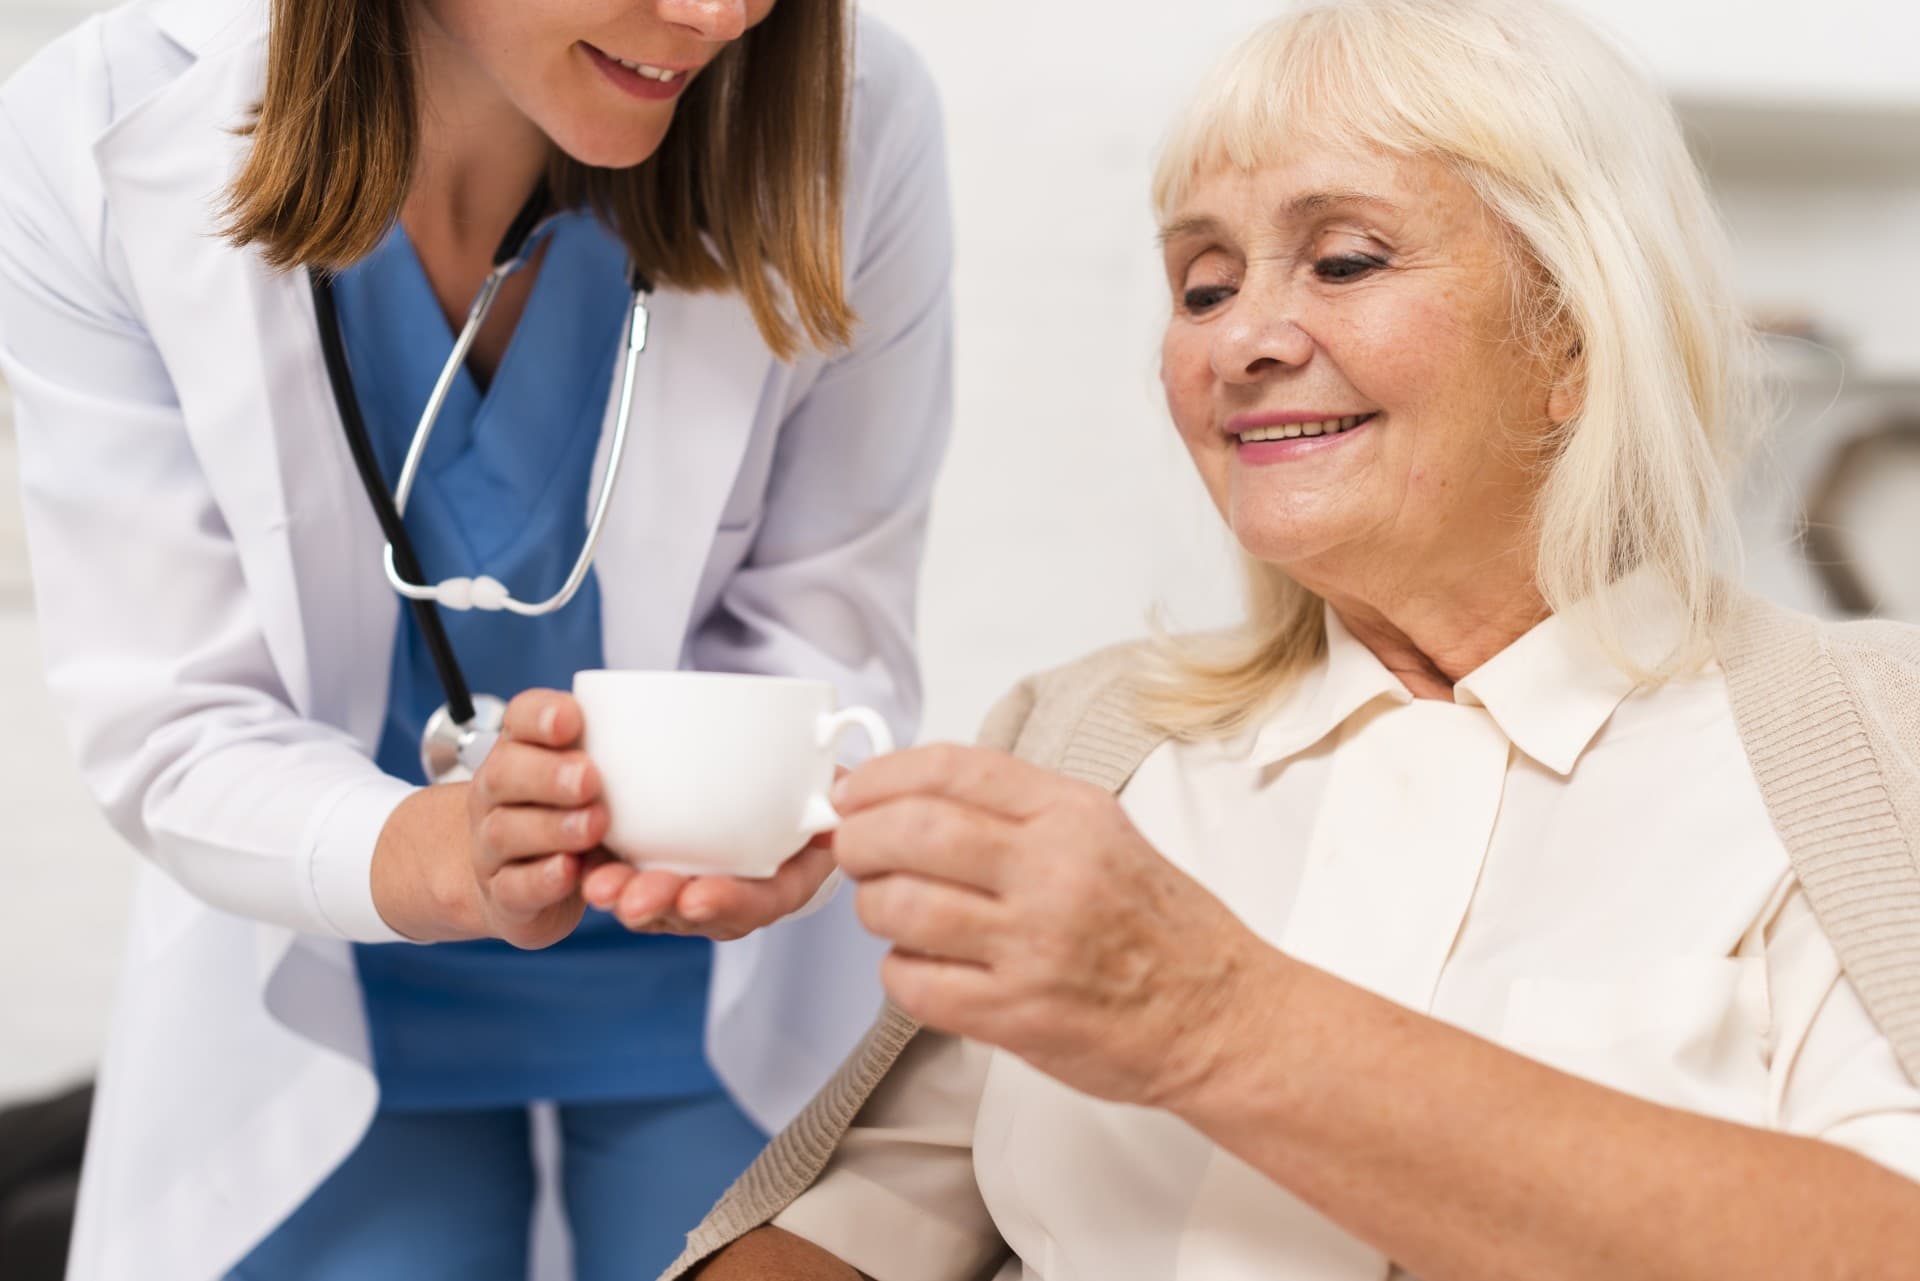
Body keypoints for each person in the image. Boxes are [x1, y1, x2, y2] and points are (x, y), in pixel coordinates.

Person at [670, 0, 1920, 1277]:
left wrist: (1214, 1020)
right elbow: (863, 1220)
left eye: (1345, 262)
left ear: (1576, 337)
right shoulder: (1088, 738)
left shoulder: (1867, 750)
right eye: (1202, 285)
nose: (1242, 341)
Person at [0, 0, 951, 1276]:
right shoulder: (95, 128)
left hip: (719, 978)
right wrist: (444, 859)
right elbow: (173, 714)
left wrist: (788, 808)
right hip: (331, 962)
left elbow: (830, 615)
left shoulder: (851, 113)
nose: (718, 14)